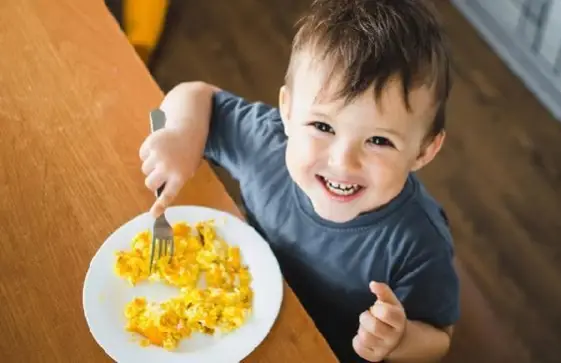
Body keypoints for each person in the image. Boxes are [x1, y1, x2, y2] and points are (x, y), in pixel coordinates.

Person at [138, 0, 460, 361]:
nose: (342, 161)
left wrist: (399, 340)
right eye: (323, 127)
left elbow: (439, 337)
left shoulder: (418, 242)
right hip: (237, 317)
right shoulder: (266, 144)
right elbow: (196, 95)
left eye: (379, 141)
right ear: (287, 112)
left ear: (423, 151)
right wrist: (182, 134)